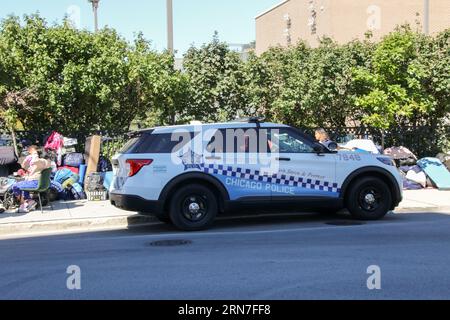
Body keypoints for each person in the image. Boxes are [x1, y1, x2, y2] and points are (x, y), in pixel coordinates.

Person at [12, 146, 51, 213]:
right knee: (24, 183)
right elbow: (23, 166)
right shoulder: (45, 161)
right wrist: (27, 159)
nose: (30, 154)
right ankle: (30, 202)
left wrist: (34, 154)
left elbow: (35, 161)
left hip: (35, 182)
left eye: (32, 152)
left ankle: (23, 205)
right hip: (37, 182)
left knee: (15, 186)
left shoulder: (41, 161)